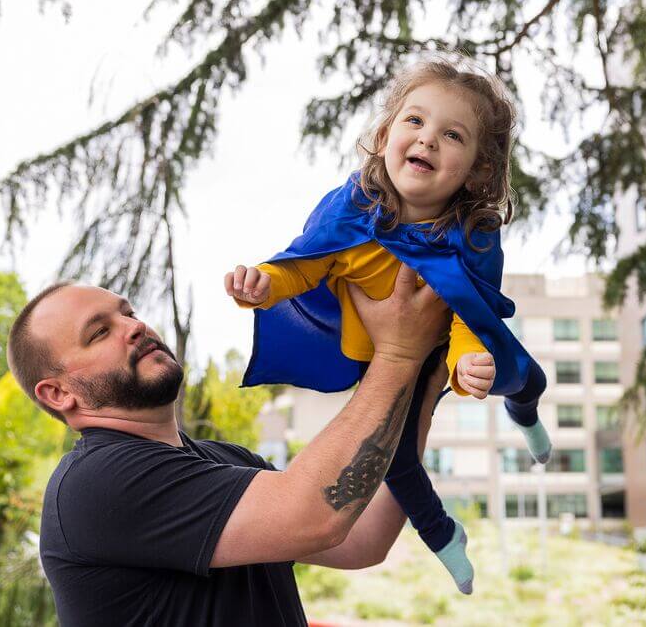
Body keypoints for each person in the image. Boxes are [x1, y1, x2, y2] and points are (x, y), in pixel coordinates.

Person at [225, 59, 549, 595]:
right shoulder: (350, 208)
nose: (428, 140)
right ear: (383, 136)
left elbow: (472, 309)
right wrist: (264, 282)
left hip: (447, 345)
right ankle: (443, 535)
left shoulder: (473, 235)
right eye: (415, 122)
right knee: (394, 461)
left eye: (452, 134)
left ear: (477, 172)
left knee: (524, 373)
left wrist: (467, 362)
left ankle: (526, 410)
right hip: (377, 353)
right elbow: (308, 262)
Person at [5, 264, 450, 626]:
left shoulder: (226, 462)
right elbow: (316, 517)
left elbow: (361, 539)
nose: (135, 326)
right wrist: (396, 357)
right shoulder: (95, 483)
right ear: (59, 394)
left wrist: (422, 380)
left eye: (128, 312)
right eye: (99, 332)